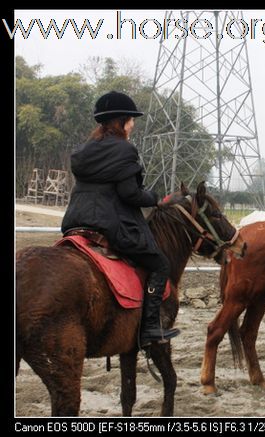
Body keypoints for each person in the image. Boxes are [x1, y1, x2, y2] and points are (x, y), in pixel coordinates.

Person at [61, 90, 179, 348]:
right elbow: (129, 194)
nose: (133, 124)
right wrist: (154, 197)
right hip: (110, 223)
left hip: (76, 221)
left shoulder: (84, 150)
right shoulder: (125, 150)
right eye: (131, 120)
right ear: (122, 121)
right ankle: (150, 328)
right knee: (159, 264)